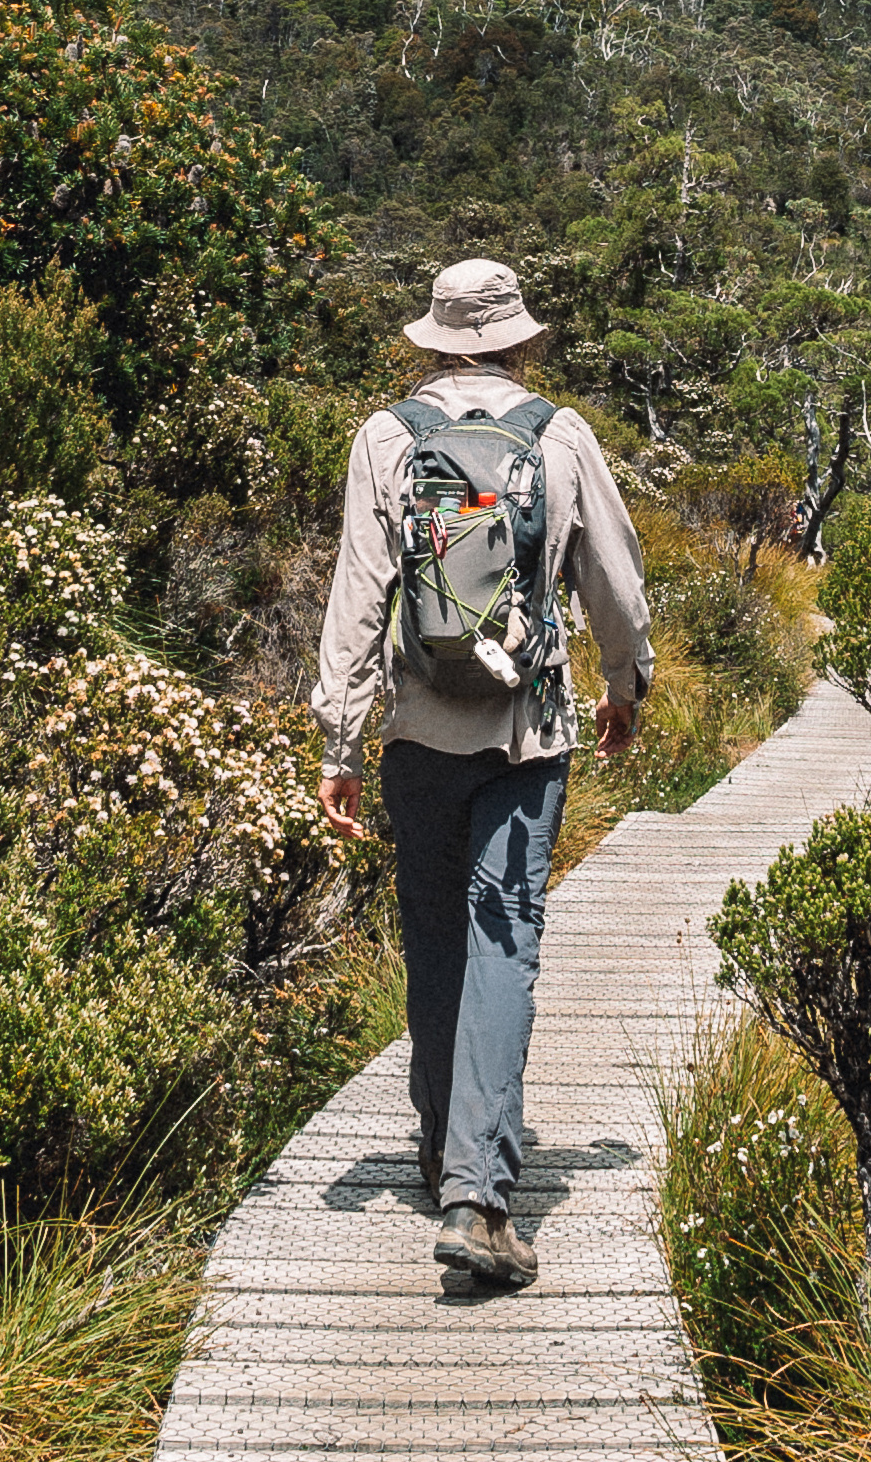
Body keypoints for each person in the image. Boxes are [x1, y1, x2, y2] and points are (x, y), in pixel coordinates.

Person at [312, 257, 651, 1289]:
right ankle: (478, 1196)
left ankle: (433, 1147)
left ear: (435, 338)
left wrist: (338, 742)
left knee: (431, 939)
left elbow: (358, 595)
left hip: (416, 733)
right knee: (502, 936)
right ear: (515, 338)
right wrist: (624, 686)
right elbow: (616, 585)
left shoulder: (385, 438)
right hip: (527, 734)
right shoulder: (560, 435)